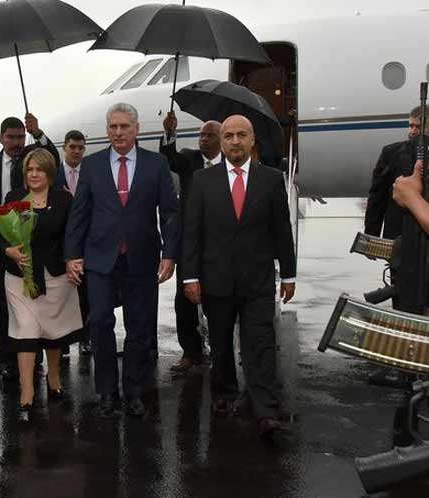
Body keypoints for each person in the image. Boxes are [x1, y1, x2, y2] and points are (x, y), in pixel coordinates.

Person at [182, 115, 296, 438]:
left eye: (241, 135)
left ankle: (265, 410)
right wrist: (190, 276)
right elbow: (192, 232)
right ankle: (224, 394)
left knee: (259, 345)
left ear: (252, 140)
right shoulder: (203, 182)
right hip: (215, 281)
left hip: (257, 282)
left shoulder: (271, 180)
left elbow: (281, 231)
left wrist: (288, 273)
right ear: (221, 141)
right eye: (228, 135)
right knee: (219, 346)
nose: (234, 141)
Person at [64, 103, 178, 418]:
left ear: (137, 129)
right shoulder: (92, 165)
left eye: (124, 126)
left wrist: (170, 253)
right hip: (100, 258)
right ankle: (106, 391)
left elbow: (169, 213)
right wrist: (72, 255)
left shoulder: (157, 164)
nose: (118, 132)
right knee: (100, 322)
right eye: (113, 127)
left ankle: (134, 391)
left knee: (140, 329)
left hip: (142, 259)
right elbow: (79, 213)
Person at [0, 114, 60, 381]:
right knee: (3, 304)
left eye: (21, 137)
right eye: (11, 137)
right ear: (0, 138)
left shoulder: (31, 160)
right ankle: (9, 357)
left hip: (31, 242)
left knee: (34, 301)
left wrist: (38, 133)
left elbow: (51, 157)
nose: (16, 142)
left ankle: (34, 359)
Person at [0, 148, 83, 421]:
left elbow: (74, 233)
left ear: (49, 172)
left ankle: (54, 376)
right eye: (29, 170)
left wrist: (73, 260)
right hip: (20, 276)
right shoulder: (13, 198)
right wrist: (8, 250)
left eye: (39, 169)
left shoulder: (64, 199)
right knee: (27, 329)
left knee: (53, 330)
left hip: (56, 276)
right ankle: (27, 390)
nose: (34, 174)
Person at [160, 116, 223, 373]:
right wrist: (169, 134)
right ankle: (190, 352)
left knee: (218, 301)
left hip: (220, 247)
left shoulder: (231, 165)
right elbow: (169, 159)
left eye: (209, 135)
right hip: (190, 245)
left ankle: (221, 352)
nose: (203, 139)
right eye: (201, 135)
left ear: (221, 139)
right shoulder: (189, 159)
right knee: (184, 301)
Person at [365, 105, 429, 239]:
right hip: (399, 235)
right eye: (411, 126)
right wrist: (371, 233)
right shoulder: (392, 153)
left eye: (418, 127)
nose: (412, 131)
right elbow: (378, 196)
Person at [55, 130, 91, 356]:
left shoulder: (92, 172)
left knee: (86, 295)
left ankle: (86, 338)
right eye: (72, 147)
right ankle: (64, 341)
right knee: (63, 294)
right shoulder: (54, 174)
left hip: (87, 242)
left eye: (80, 148)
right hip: (60, 242)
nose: (77, 151)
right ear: (64, 148)